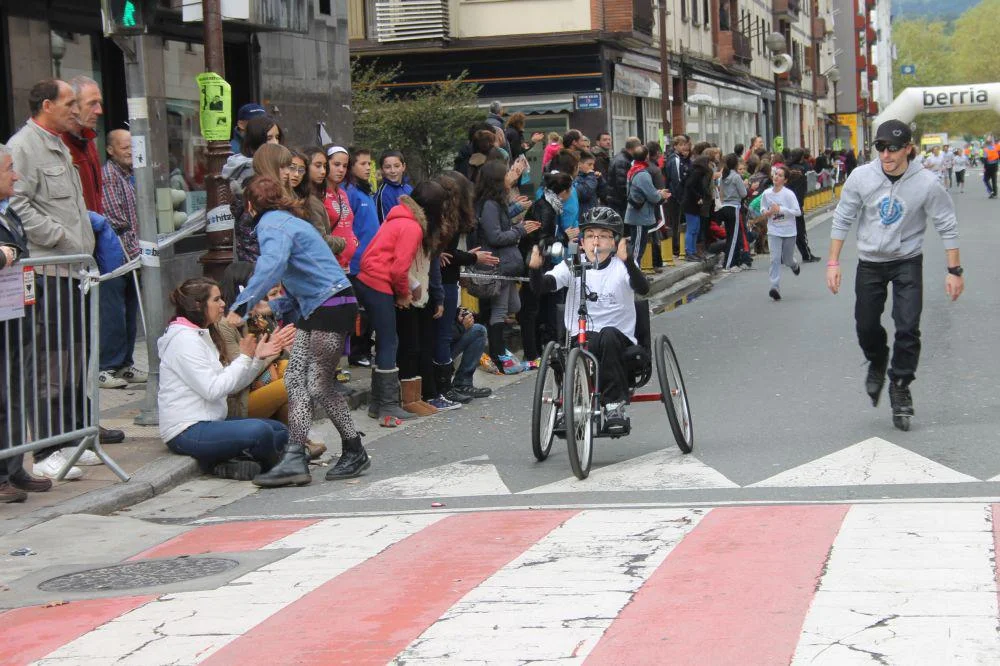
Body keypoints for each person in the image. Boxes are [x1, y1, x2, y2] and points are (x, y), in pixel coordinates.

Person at [9, 79, 123, 481]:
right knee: (51, 362)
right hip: (48, 270)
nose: (76, 110)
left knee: (75, 357)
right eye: (69, 102)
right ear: (46, 105)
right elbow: (17, 204)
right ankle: (46, 449)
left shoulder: (58, 143)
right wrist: (59, 237)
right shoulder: (24, 146)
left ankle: (72, 437)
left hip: (74, 269)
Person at [231, 176, 369, 486]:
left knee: (317, 384)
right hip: (322, 305)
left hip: (330, 305)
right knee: (296, 380)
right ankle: (295, 457)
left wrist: (240, 307)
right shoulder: (290, 222)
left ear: (250, 206)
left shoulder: (271, 225)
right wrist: (273, 307)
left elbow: (273, 265)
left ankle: (354, 449)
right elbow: (305, 276)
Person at [826, 120, 963, 432]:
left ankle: (900, 384)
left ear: (908, 149)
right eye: (881, 147)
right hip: (870, 262)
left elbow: (946, 223)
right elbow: (843, 217)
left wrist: (954, 270)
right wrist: (833, 263)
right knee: (866, 326)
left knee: (908, 327)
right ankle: (877, 358)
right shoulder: (861, 177)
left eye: (893, 148)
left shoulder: (927, 183)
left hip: (907, 261)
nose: (886, 154)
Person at [527, 207, 650, 433]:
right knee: (579, 347)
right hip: (582, 336)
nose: (596, 241)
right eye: (591, 235)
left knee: (608, 334)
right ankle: (572, 406)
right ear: (581, 242)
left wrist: (629, 261)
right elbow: (542, 286)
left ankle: (614, 406)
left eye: (603, 236)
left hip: (618, 339)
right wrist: (535, 269)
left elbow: (643, 288)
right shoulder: (571, 264)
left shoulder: (622, 266)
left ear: (614, 242)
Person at [158, 277, 293, 480]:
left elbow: (232, 385)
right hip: (186, 430)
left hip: (213, 421)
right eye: (216, 300)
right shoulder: (184, 341)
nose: (223, 304)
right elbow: (212, 390)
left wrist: (256, 359)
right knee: (261, 432)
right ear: (198, 305)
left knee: (280, 431)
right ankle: (274, 470)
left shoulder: (201, 334)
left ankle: (229, 463)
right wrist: (245, 358)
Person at [216, 263, 326, 461]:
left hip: (262, 382)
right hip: (239, 398)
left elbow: (277, 356)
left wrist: (285, 349)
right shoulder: (225, 325)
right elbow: (240, 372)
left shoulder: (256, 316)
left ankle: (297, 443)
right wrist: (272, 351)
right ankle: (298, 443)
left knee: (291, 370)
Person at [356, 187, 439, 426]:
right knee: (389, 341)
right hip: (378, 282)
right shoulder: (413, 227)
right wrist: (404, 294)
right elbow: (398, 268)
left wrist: (409, 287)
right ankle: (388, 404)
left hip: (367, 278)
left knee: (385, 340)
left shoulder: (396, 218)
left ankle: (377, 403)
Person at [0, 144, 52, 501]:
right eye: (9, 169)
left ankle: (14, 467)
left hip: (17, 314)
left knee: (18, 393)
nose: (16, 176)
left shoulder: (10, 212)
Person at [476, 159, 541, 373]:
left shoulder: (497, 202)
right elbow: (495, 236)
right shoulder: (489, 204)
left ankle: (499, 353)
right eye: (506, 174)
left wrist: (516, 209)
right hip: (499, 264)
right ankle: (500, 356)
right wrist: (520, 230)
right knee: (500, 310)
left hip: (507, 264)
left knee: (514, 305)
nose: (510, 178)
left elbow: (500, 222)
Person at [99, 129, 146, 390]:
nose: (130, 151)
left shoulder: (130, 176)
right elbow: (116, 220)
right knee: (114, 313)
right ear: (110, 150)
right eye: (124, 147)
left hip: (132, 255)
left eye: (132, 146)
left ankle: (125, 364)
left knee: (129, 310)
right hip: (116, 255)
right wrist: (135, 249)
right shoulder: (109, 176)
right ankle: (107, 366)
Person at [345, 147, 380, 367]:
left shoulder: (366, 191)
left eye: (369, 164)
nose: (367, 168)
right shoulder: (350, 192)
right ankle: (357, 353)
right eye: (363, 164)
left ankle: (365, 348)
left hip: (372, 261)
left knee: (370, 309)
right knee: (360, 311)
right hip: (357, 263)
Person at [624, 144, 670, 266]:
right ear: (646, 157)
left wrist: (657, 192)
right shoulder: (642, 174)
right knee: (638, 248)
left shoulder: (633, 169)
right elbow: (652, 196)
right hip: (640, 215)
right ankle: (633, 272)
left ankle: (635, 270)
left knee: (637, 245)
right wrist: (661, 195)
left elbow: (643, 191)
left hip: (636, 213)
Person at [761, 165, 801, 301]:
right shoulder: (766, 193)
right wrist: (766, 212)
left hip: (789, 231)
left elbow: (797, 212)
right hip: (774, 230)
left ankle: (794, 265)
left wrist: (781, 209)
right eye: (775, 174)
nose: (776, 177)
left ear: (785, 180)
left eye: (780, 175)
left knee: (787, 259)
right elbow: (762, 208)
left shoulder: (789, 194)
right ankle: (775, 287)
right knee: (775, 259)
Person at [324, 145, 359, 270]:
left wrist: (353, 240)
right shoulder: (319, 195)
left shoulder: (343, 194)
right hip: (329, 265)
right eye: (336, 164)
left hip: (345, 265)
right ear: (325, 164)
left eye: (345, 166)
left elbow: (348, 222)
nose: (341, 170)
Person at [785, 148, 819, 262]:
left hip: (785, 204)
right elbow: (800, 190)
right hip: (796, 204)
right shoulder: (801, 170)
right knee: (800, 231)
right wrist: (799, 205)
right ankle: (806, 255)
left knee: (785, 231)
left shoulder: (786, 169)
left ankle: (783, 256)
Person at [718, 153, 748, 271]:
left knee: (730, 235)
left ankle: (732, 261)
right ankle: (729, 264)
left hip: (725, 206)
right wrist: (745, 186)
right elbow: (743, 193)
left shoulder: (723, 176)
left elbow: (721, 192)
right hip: (734, 207)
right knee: (734, 237)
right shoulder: (736, 177)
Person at [607, 137, 643, 217]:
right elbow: (622, 185)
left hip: (616, 201)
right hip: (620, 203)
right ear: (635, 148)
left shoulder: (621, 158)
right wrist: (632, 200)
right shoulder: (623, 161)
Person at [375, 150, 412, 223]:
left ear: (403, 167)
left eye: (397, 166)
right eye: (387, 167)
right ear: (382, 170)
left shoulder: (408, 188)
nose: (393, 171)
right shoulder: (383, 195)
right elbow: (384, 225)